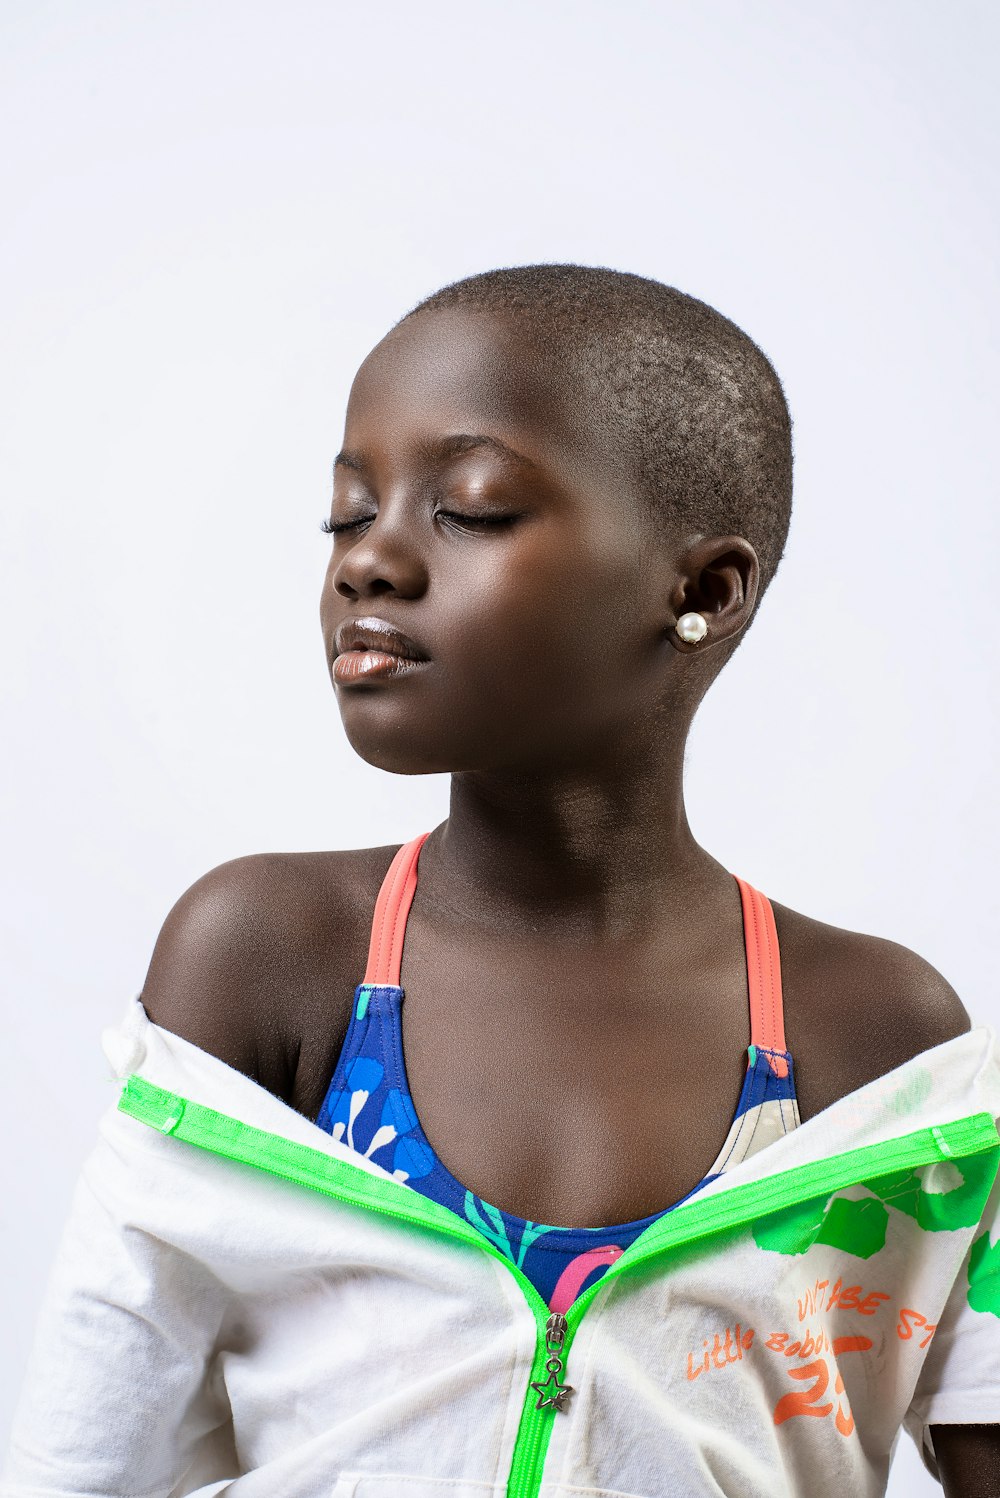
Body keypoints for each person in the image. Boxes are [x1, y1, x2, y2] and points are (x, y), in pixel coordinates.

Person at [4, 264, 999, 1498]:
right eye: (347, 514)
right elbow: (80, 1458)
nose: (369, 558)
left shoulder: (875, 1036)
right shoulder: (269, 957)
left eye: (467, 509)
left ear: (700, 590)